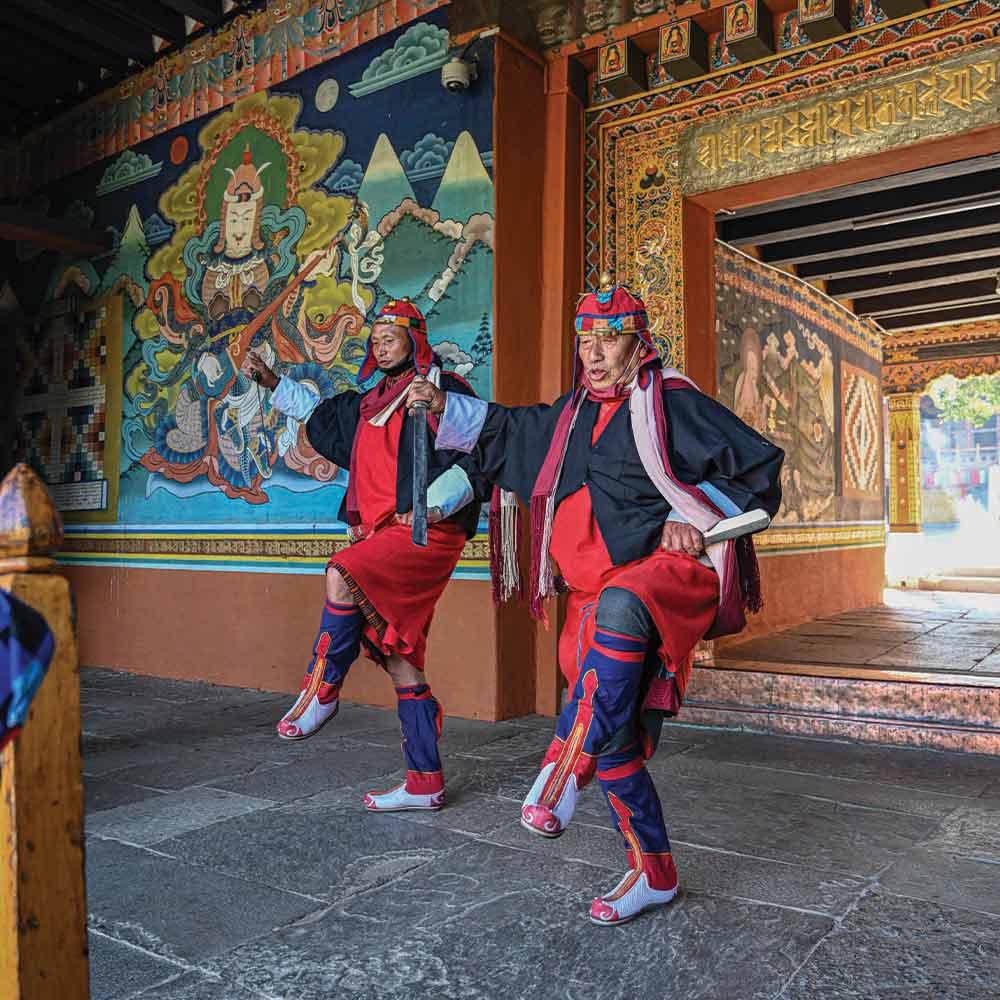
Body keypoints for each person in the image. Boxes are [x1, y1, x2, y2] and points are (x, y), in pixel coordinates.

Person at [407, 279, 784, 925]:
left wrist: (690, 515)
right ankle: (654, 873)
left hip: (659, 578)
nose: (595, 353)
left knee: (622, 603)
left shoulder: (672, 402)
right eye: (586, 341)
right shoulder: (570, 416)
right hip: (586, 598)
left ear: (639, 344)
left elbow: (757, 470)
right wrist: (443, 402)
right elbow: (508, 430)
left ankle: (563, 764)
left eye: (610, 339)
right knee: (619, 746)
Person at [245, 298, 481, 813]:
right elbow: (319, 414)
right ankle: (424, 781)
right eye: (375, 339)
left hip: (423, 530)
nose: (381, 345)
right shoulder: (370, 402)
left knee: (341, 571)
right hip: (377, 533)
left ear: (415, 339)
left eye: (390, 337)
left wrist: (432, 507)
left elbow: (477, 454)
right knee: (401, 660)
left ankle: (322, 688)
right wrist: (272, 382)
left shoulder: (442, 392)